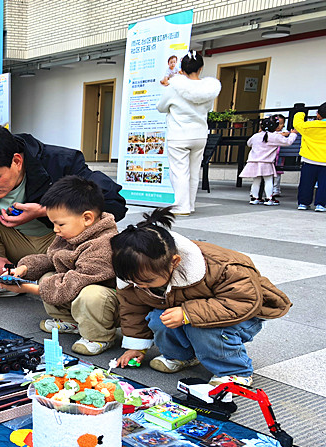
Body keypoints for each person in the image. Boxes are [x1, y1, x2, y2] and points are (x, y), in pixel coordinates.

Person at [0, 125, 127, 301]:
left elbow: (113, 203)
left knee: (90, 235)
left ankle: (63, 277)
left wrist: (44, 211)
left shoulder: (59, 162)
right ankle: (7, 280)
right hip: (17, 247)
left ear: (17, 161)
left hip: (62, 243)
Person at [112, 207, 291, 387]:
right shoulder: (133, 274)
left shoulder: (222, 266)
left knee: (201, 326)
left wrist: (187, 314)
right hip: (195, 308)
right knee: (160, 319)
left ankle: (234, 371)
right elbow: (132, 310)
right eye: (134, 281)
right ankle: (181, 356)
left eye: (147, 281)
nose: (140, 286)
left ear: (174, 262)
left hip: (245, 313)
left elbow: (243, 302)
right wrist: (136, 346)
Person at [1, 177, 119, 356]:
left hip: (109, 304)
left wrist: (25, 288)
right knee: (48, 276)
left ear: (87, 218)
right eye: (53, 223)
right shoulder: (72, 233)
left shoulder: (104, 244)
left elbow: (73, 283)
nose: (55, 229)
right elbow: (51, 258)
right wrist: (23, 269)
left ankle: (99, 336)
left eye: (60, 224)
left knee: (91, 294)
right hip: (76, 291)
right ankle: (70, 321)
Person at [156, 50, 221, 216]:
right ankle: (190, 204)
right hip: (200, 134)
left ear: (182, 70)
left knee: (179, 171)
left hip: (179, 135)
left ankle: (181, 206)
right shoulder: (209, 89)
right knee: (193, 171)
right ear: (201, 68)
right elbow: (209, 109)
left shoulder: (174, 88)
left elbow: (161, 107)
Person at [240, 115, 297, 205]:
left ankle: (255, 198)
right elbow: (288, 142)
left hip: (254, 162)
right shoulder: (275, 137)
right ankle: (269, 198)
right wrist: (293, 134)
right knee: (268, 180)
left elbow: (249, 143)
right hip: (266, 163)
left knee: (256, 180)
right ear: (275, 127)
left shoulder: (256, 136)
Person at [293, 101, 326, 211]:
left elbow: (297, 123)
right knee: (324, 185)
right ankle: (321, 204)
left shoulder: (308, 126)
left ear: (318, 115)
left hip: (309, 160)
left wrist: (301, 112)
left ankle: (303, 203)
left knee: (306, 184)